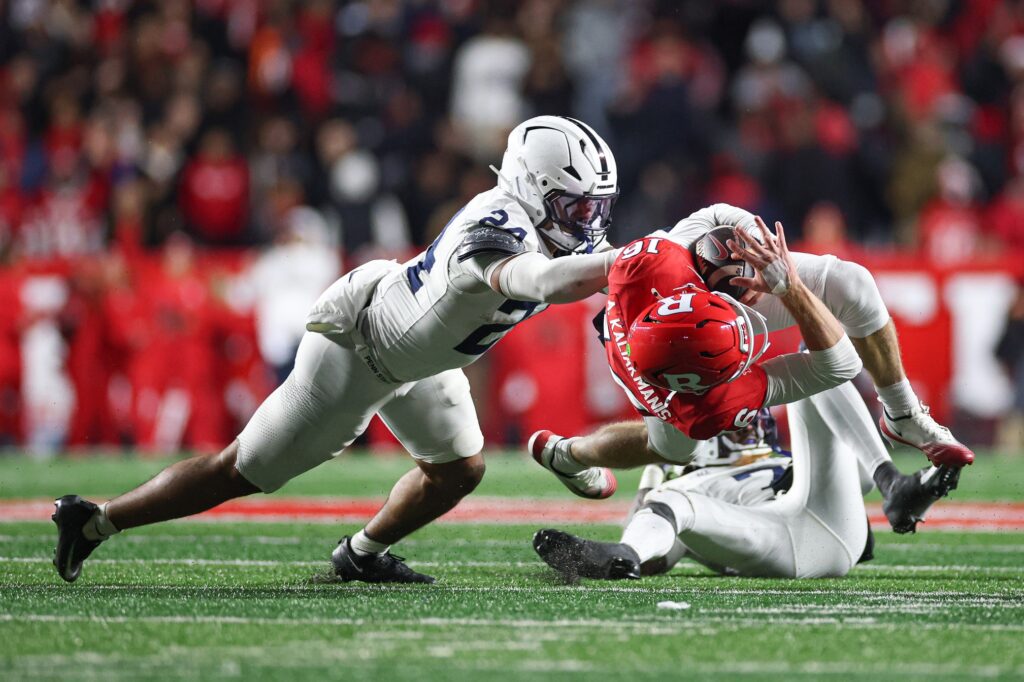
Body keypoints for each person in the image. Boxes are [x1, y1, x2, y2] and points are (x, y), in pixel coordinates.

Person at [52, 116, 621, 585]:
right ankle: (96, 521)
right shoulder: (499, 225)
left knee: (459, 471)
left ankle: (361, 553)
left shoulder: (554, 235)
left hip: (422, 357)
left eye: (596, 208)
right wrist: (632, 261)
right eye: (576, 207)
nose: (588, 221)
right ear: (530, 188)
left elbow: (601, 276)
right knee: (241, 471)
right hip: (361, 348)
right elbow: (548, 281)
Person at [529, 204, 971, 528]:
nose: (754, 334)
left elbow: (714, 213)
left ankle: (903, 413)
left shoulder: (652, 262)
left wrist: (752, 242)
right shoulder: (706, 409)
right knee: (675, 447)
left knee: (851, 282)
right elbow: (838, 364)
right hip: (656, 367)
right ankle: (571, 455)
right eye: (742, 346)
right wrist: (791, 290)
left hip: (654, 308)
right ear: (723, 376)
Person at [534, 381, 951, 580]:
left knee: (823, 365)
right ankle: (614, 555)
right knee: (670, 501)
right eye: (725, 413)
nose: (743, 421)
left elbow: (852, 478)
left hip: (822, 516)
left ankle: (894, 482)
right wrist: (650, 485)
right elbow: (658, 556)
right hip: (771, 542)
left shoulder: (783, 459)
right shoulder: (686, 480)